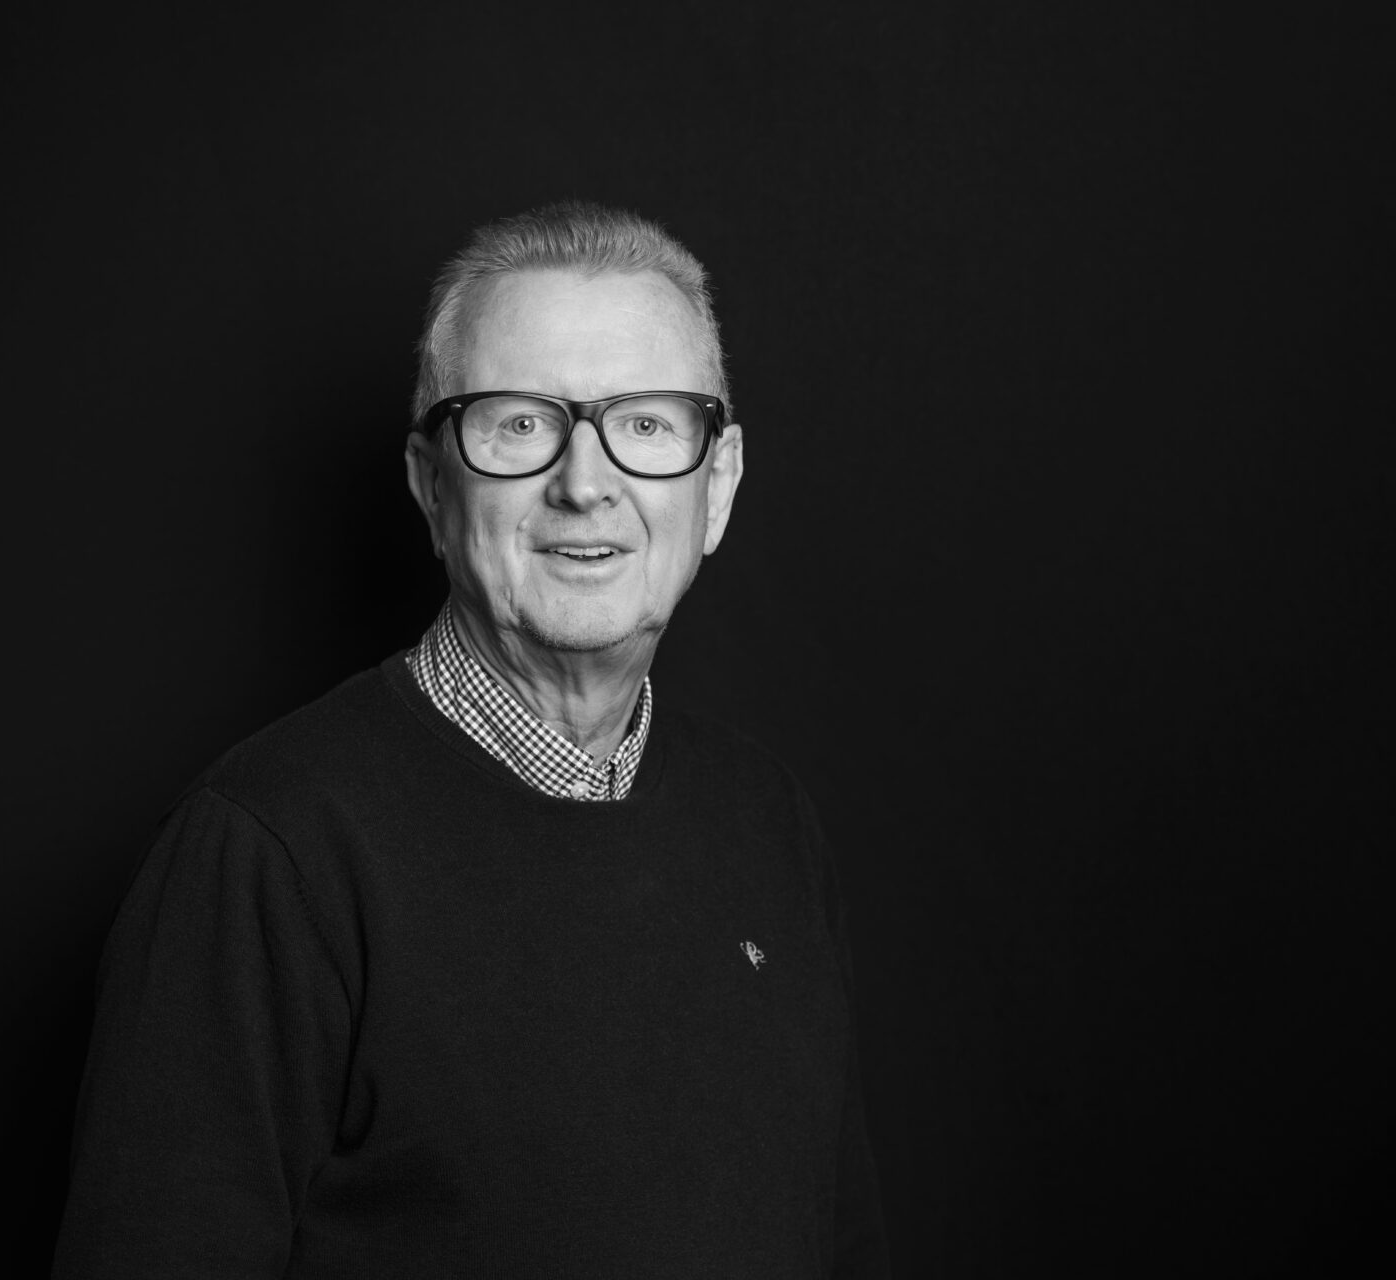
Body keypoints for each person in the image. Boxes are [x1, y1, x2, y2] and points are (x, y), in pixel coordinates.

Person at [53, 202, 889, 1277]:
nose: (585, 483)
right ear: (431, 484)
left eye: (646, 425)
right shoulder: (269, 852)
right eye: (519, 424)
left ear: (716, 486)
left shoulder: (768, 822)